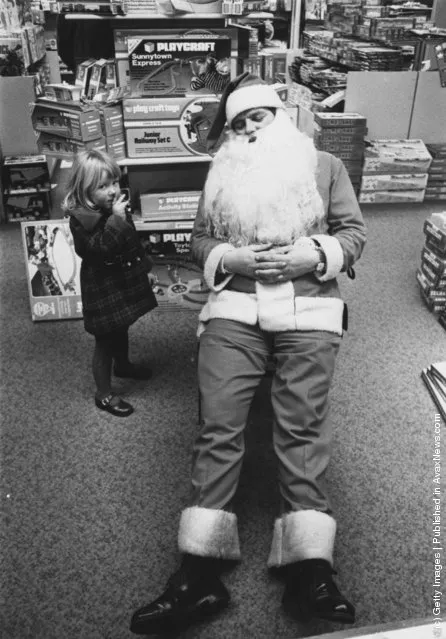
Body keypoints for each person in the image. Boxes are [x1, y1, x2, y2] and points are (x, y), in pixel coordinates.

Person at [130, 72, 366, 634]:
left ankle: (311, 567)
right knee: (218, 425)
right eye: (238, 124)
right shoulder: (221, 176)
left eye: (257, 117)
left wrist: (312, 253)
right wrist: (229, 260)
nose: (249, 129)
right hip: (234, 310)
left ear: (279, 117)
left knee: (302, 427)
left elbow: (353, 233)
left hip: (307, 306)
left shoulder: (324, 167)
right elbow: (199, 241)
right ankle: (198, 573)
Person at [62, 149, 157, 418]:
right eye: (102, 186)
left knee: (122, 325)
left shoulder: (108, 208)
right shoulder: (81, 220)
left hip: (121, 279)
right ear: (83, 191)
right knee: (104, 340)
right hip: (102, 286)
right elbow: (99, 248)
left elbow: (129, 241)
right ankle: (103, 394)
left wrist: (143, 268)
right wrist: (116, 218)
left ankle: (123, 365)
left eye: (114, 182)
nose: (112, 190)